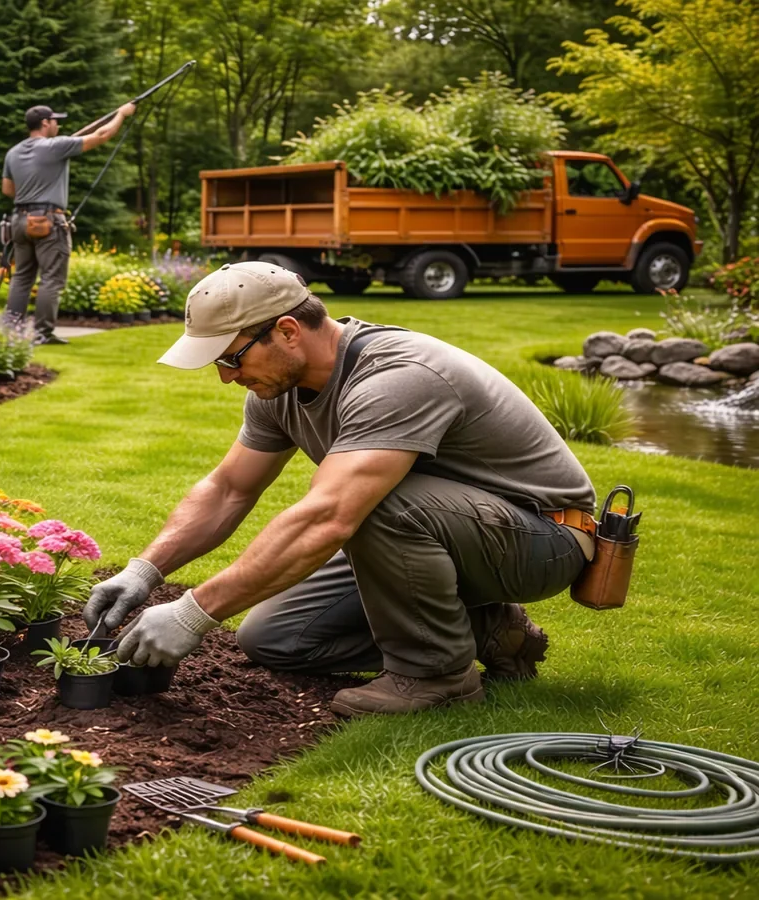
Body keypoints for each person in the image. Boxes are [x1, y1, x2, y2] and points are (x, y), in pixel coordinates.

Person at [82, 261, 598, 717]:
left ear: (286, 331)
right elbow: (227, 489)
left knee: (367, 503)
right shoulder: (278, 389)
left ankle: (436, 675)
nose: (224, 376)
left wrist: (194, 612)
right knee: (275, 639)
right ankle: (486, 630)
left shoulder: (397, 378)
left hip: (544, 538)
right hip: (449, 533)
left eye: (231, 358)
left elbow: (329, 516)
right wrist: (145, 570)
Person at [1, 102, 136, 344]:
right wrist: (121, 114)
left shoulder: (13, 152)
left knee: (22, 277)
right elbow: (102, 135)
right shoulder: (55, 146)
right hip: (48, 221)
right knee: (52, 279)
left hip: (19, 221)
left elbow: (7, 189)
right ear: (45, 123)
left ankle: (12, 331)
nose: (58, 125)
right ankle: (42, 334)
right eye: (55, 120)